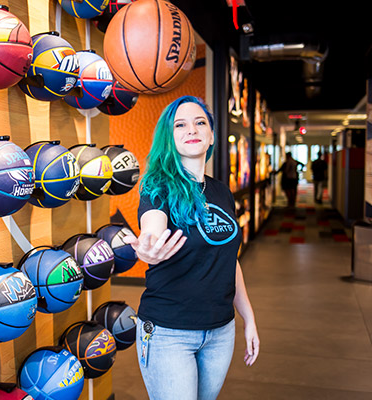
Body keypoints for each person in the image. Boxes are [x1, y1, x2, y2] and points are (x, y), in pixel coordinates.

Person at [123, 95, 259, 400]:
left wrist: (248, 318)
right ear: (169, 138)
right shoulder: (158, 186)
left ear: (211, 135)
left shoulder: (222, 192)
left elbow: (229, 260)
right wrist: (148, 248)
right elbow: (152, 229)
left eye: (200, 122)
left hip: (220, 332)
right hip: (169, 332)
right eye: (180, 125)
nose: (191, 129)